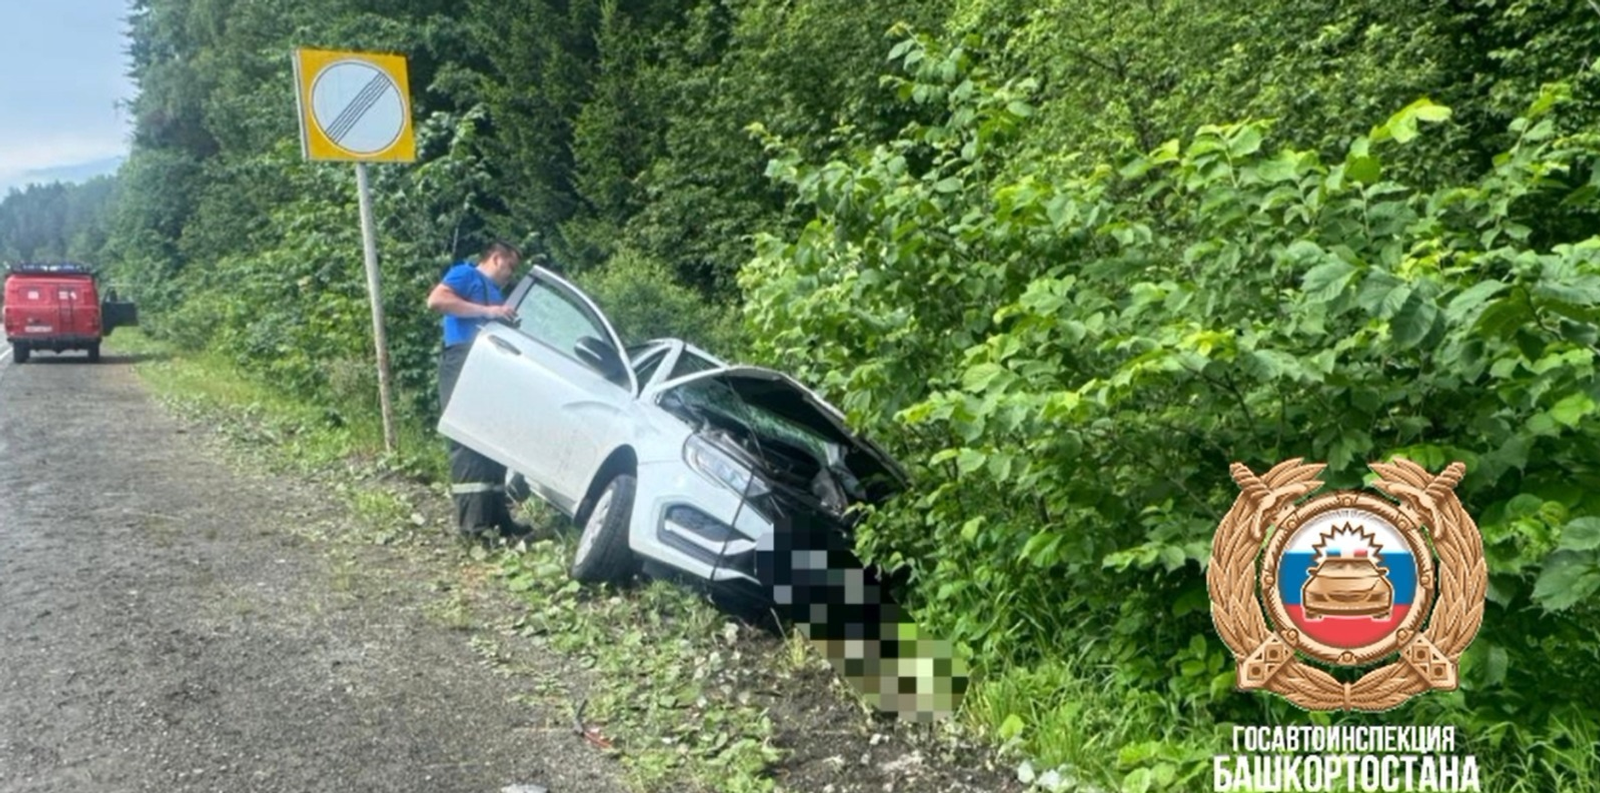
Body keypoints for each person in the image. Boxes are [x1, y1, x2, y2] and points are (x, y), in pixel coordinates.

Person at [427, 240, 535, 543]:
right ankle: (473, 529)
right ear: (496, 258)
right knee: (468, 441)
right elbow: (436, 301)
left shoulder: (496, 296)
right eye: (510, 267)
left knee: (491, 440)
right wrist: (487, 311)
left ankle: (497, 521)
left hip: (487, 365)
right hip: (462, 359)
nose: (510, 274)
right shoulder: (465, 274)